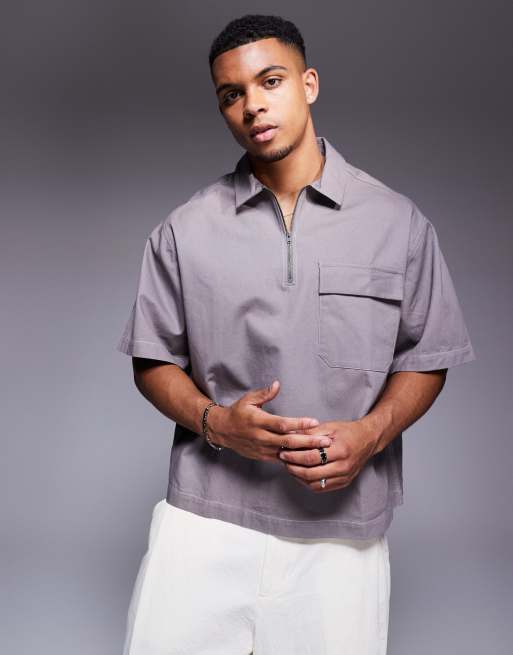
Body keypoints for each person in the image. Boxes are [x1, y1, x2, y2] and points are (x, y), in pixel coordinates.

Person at [116, 13, 477, 655]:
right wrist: (215, 423)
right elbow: (152, 359)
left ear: (308, 84)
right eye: (231, 94)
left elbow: (427, 355)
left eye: (270, 81)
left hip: (342, 530)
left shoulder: (397, 223)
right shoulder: (183, 230)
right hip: (203, 522)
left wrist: (370, 434)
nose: (252, 105)